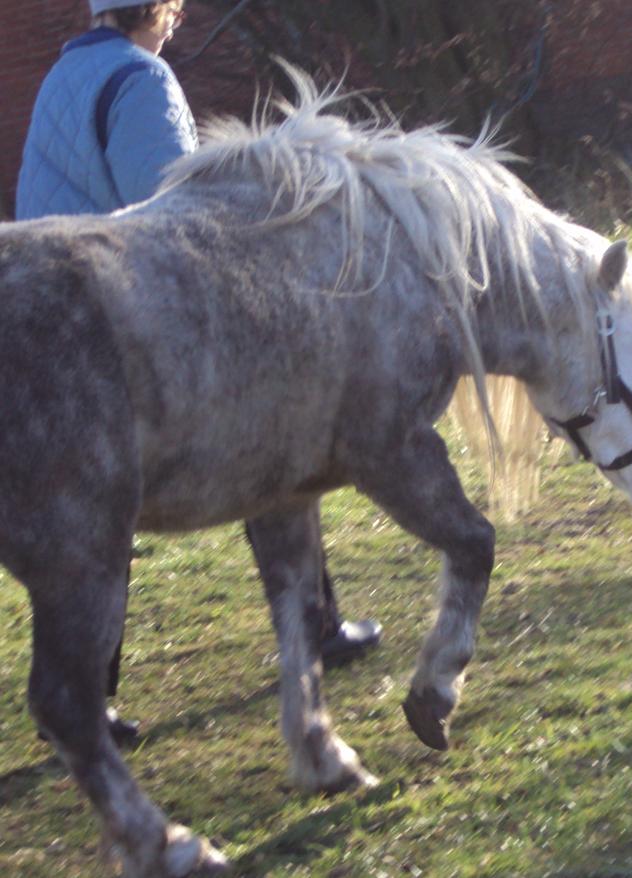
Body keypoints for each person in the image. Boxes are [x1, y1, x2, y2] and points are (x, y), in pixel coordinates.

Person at [16, 0, 382, 745]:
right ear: (154, 10)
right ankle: (314, 629)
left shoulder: (63, 75)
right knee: (277, 453)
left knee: (83, 511)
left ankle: (92, 694)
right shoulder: (141, 79)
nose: (177, 19)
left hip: (45, 314)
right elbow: (175, 210)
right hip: (126, 317)